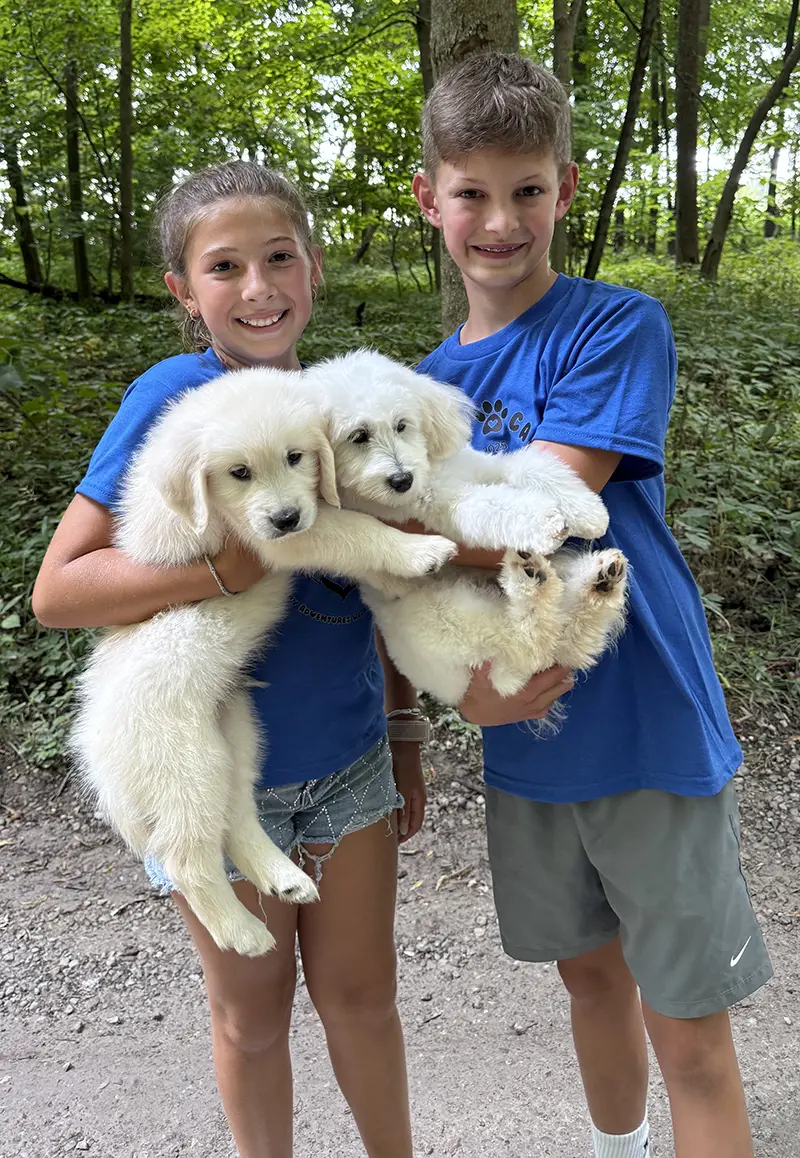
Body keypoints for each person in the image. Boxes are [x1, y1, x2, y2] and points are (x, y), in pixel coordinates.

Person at [29, 159, 571, 1157]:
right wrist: (228, 568)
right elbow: (60, 590)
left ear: (314, 269)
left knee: (365, 1003)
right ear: (183, 293)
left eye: (279, 258)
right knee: (249, 1012)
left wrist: (405, 729)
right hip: (226, 769)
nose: (258, 287)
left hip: (351, 762)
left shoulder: (343, 403)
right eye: (224, 267)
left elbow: (384, 580)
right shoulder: (176, 400)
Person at [412, 54, 772, 1158]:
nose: (499, 220)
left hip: (645, 726)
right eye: (471, 192)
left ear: (563, 190)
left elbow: (551, 505)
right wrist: (437, 699)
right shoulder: (421, 390)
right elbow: (413, 586)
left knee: (691, 1035)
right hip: (525, 737)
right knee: (586, 981)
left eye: (525, 190)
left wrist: (381, 537)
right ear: (428, 197)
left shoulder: (615, 327)